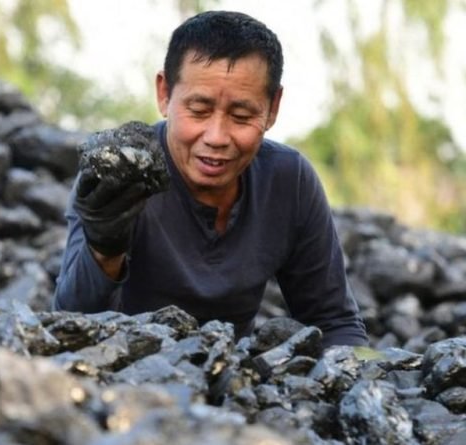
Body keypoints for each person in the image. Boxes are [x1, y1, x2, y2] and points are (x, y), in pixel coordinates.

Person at [53, 10, 368, 349]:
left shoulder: (289, 181)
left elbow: (334, 321)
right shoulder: (120, 173)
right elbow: (71, 328)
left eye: (241, 116)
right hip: (127, 380)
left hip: (233, 383)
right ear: (164, 94)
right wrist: (104, 250)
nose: (216, 137)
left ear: (273, 108)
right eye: (199, 111)